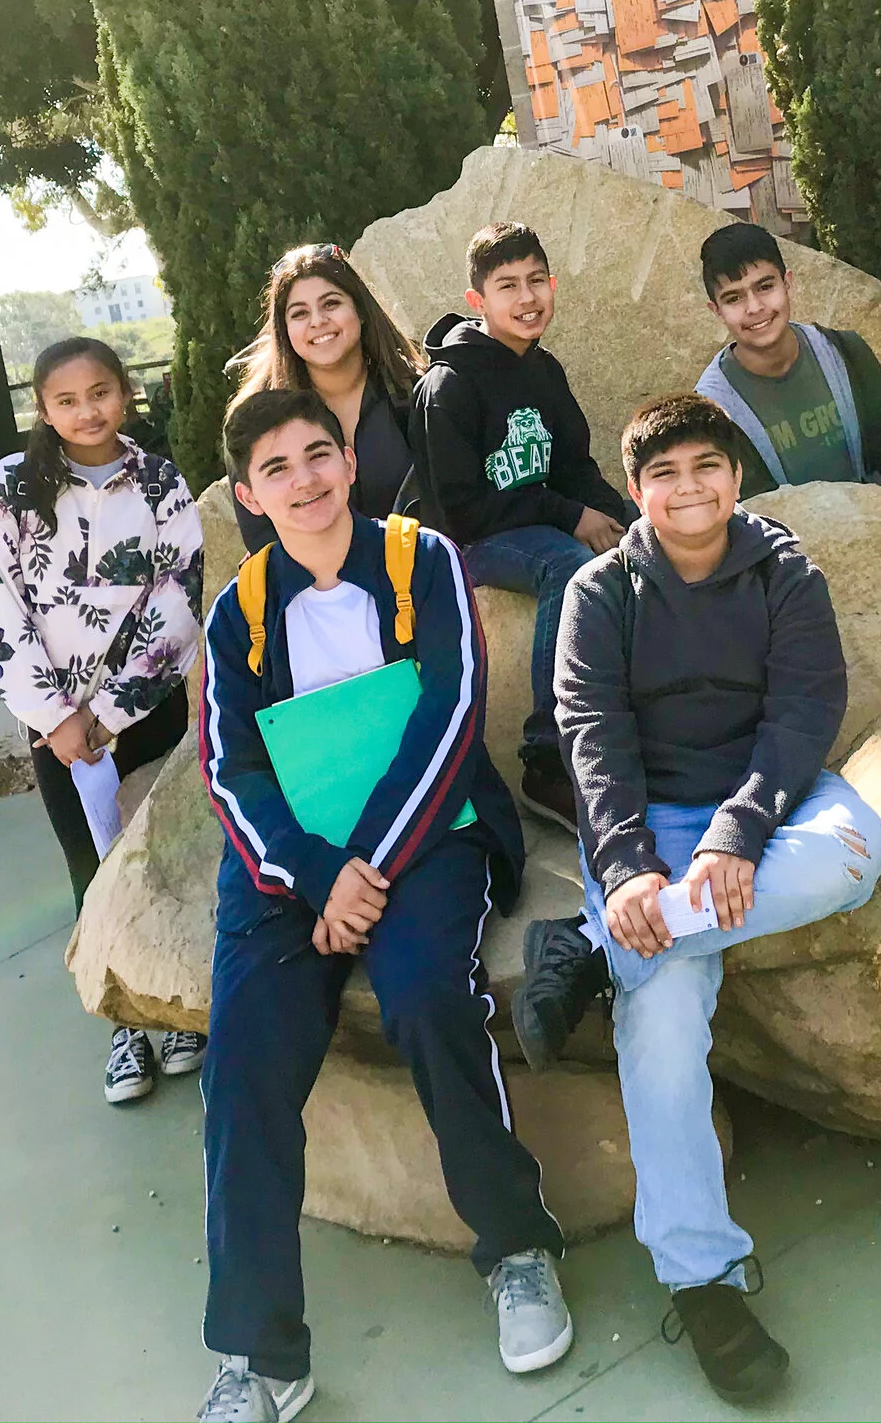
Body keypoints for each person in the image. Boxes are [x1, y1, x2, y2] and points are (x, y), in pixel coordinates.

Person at [196, 389, 572, 1421]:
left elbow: (451, 719)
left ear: (349, 460)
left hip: (425, 837)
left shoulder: (422, 561)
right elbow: (229, 769)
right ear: (248, 492)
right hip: (291, 872)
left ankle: (516, 1249)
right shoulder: (239, 613)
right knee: (242, 1064)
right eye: (277, 467)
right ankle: (262, 1353)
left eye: (319, 454)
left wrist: (368, 866)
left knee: (425, 999)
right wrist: (318, 877)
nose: (306, 480)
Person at [519, 392, 881, 1403]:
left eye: (705, 468)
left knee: (857, 854)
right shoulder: (601, 592)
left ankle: (595, 951)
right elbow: (591, 739)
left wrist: (738, 835)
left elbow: (805, 710)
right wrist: (634, 867)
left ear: (734, 476)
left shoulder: (784, 573)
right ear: (637, 492)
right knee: (667, 1021)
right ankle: (702, 1278)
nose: (689, 489)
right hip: (648, 827)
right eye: (665, 475)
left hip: (770, 805)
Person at [0, 337, 208, 1105]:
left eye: (100, 391)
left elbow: (178, 600)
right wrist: (60, 718)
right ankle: (122, 1028)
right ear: (41, 408)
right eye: (67, 399)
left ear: (126, 394)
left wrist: (110, 712)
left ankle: (176, 1009)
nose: (87, 410)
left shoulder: (161, 483)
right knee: (93, 870)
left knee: (161, 858)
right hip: (58, 729)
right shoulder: (9, 490)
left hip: (146, 707)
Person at [407, 221, 632, 827]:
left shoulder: (545, 370)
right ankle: (546, 758)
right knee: (571, 568)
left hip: (533, 525)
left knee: (634, 555)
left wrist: (628, 519)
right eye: (508, 286)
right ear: (478, 302)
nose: (527, 298)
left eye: (537, 281)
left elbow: (574, 467)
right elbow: (459, 509)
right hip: (470, 544)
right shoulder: (448, 385)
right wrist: (569, 516)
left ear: (553, 285)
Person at [693, 221, 881, 498]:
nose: (754, 308)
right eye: (734, 298)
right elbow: (747, 514)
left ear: (788, 282)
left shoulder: (846, 353)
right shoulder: (713, 408)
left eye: (765, 286)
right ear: (716, 310)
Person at [226, 243, 424, 553]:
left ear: (359, 310)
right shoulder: (256, 422)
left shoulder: (416, 394)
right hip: (314, 591)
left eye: (331, 304)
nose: (317, 321)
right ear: (284, 330)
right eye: (300, 313)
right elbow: (264, 540)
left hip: (415, 573)